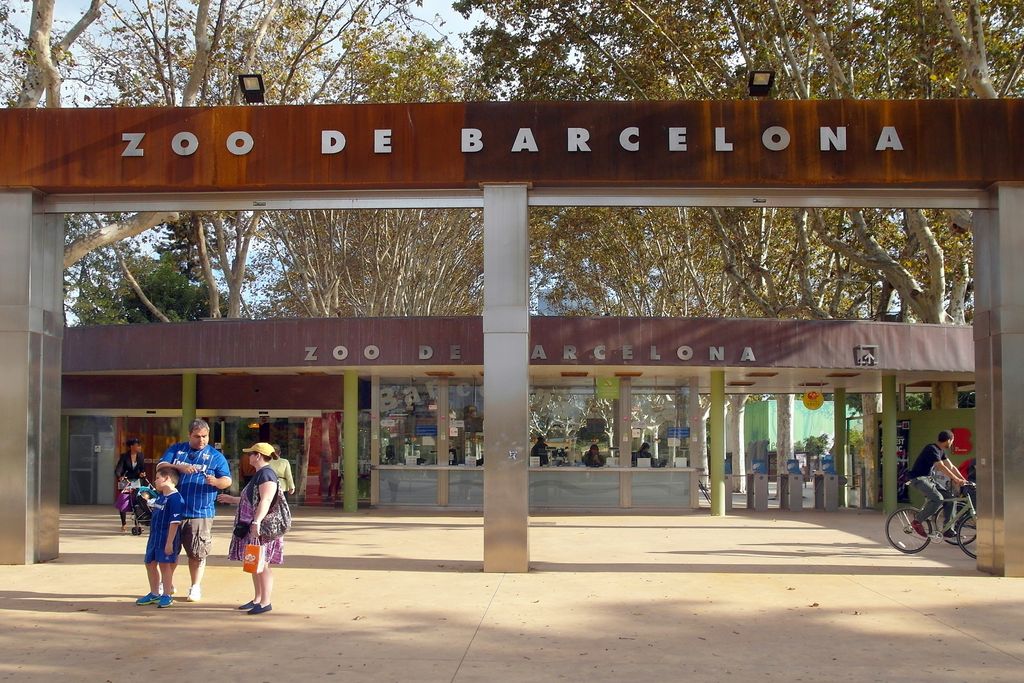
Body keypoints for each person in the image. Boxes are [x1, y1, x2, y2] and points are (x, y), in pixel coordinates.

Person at [159, 419, 232, 602]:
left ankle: (195, 586)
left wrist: (215, 482)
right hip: (173, 510)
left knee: (197, 553)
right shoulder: (177, 450)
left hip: (200, 511)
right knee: (170, 551)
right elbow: (160, 466)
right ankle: (167, 584)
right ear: (189, 435)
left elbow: (227, 480)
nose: (201, 440)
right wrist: (178, 467)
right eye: (197, 436)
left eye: (205, 436)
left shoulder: (216, 456)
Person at [218, 442, 286, 615]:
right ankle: (258, 598)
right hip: (253, 525)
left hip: (262, 527)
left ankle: (265, 601)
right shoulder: (260, 474)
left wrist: (256, 522)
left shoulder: (266, 475)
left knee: (262, 563)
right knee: (255, 562)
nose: (248, 457)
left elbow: (265, 500)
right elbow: (252, 499)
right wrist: (232, 499)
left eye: (251, 454)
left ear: (258, 456)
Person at [135, 463, 185, 609]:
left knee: (165, 565)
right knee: (149, 563)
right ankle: (154, 593)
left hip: (166, 537)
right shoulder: (161, 496)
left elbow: (174, 522)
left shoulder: (175, 498)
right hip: (154, 537)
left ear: (167, 478)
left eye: (157, 478)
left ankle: (167, 595)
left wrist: (169, 543)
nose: (155, 481)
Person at [906, 430, 967, 538]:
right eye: (952, 441)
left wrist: (963, 480)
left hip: (929, 479)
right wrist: (956, 479)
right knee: (937, 498)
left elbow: (951, 467)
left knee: (951, 499)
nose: (952, 443)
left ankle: (948, 529)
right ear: (948, 440)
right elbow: (941, 467)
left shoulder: (941, 451)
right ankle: (917, 521)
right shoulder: (931, 449)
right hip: (918, 479)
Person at [115, 438, 147, 533]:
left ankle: (137, 524)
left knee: (137, 501)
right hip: (126, 480)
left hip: (137, 481)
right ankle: (123, 524)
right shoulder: (124, 456)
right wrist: (120, 476)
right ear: (132, 446)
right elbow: (118, 469)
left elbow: (142, 469)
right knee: (123, 502)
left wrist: (142, 474)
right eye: (137, 445)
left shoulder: (141, 456)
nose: (139, 447)